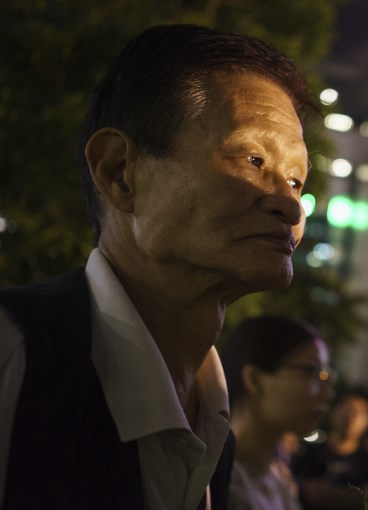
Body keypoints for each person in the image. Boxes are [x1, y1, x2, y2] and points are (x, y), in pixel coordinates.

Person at [0, 23, 316, 509]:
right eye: (253, 160)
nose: (291, 208)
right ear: (119, 171)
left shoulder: (216, 437)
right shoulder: (17, 356)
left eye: (296, 181)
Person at [219, 316, 335, 510]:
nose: (327, 393)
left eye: (326, 377)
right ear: (255, 379)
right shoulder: (213, 482)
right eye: (311, 372)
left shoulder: (280, 479)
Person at [292, 391, 368, 510]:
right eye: (347, 409)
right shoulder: (310, 451)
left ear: (367, 421)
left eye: (359, 413)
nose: (351, 417)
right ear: (334, 411)